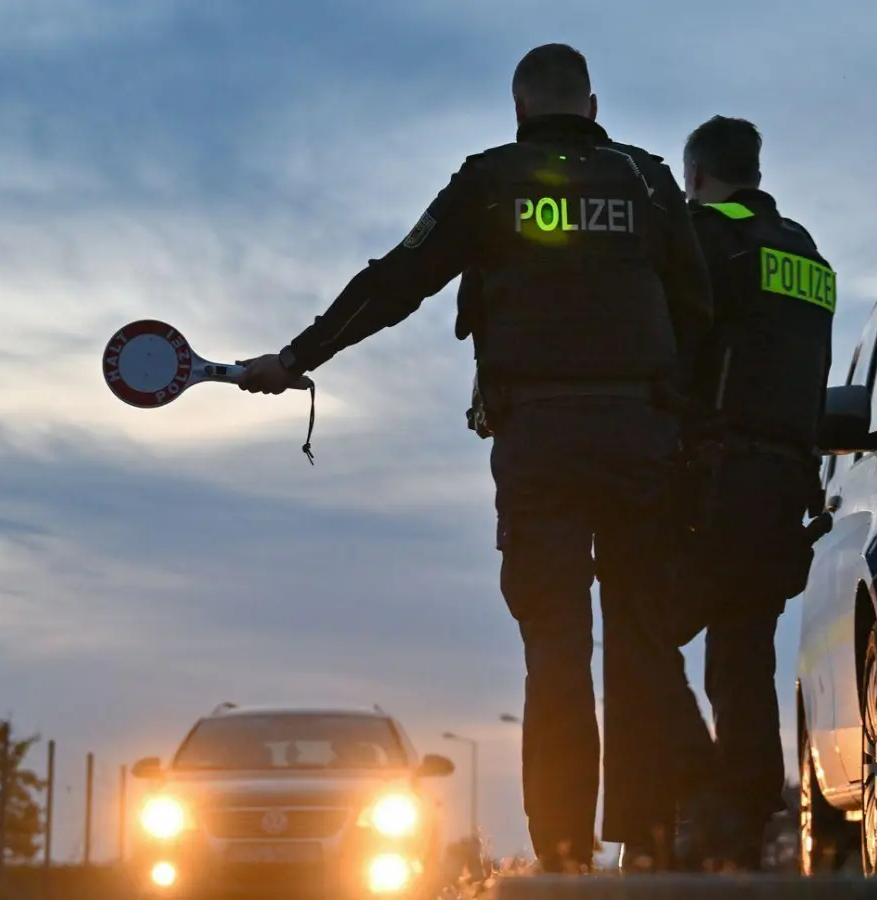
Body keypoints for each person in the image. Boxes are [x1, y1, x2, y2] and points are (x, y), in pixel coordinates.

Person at [236, 43, 714, 873]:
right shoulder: (646, 180)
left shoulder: (489, 181)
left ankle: (563, 857)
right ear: (592, 106)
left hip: (539, 445)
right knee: (642, 643)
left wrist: (299, 357)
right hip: (642, 439)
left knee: (556, 649)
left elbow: (397, 281)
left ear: (519, 109)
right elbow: (697, 309)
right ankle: (650, 846)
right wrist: (682, 428)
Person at [668, 116, 836, 871]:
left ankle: (709, 800)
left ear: (697, 175)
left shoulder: (706, 237)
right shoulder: (806, 251)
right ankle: (739, 827)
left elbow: (676, 351)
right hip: (786, 487)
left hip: (716, 478)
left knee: (645, 633)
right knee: (742, 659)